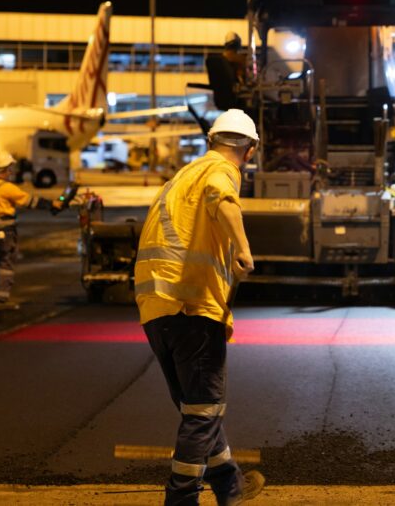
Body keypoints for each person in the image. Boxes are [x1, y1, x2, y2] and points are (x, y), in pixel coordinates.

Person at [134, 109, 265, 505]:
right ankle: (181, 498)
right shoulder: (222, 171)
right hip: (191, 307)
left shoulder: (183, 175)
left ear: (211, 140)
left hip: (156, 307)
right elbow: (221, 197)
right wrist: (243, 248)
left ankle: (228, 484)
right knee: (203, 411)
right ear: (250, 149)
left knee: (198, 409)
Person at [0, 152, 62, 310]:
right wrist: (53, 204)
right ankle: (1, 301)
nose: (11, 171)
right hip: (4, 231)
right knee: (6, 266)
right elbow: (30, 201)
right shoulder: (8, 188)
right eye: (10, 168)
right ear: (5, 169)